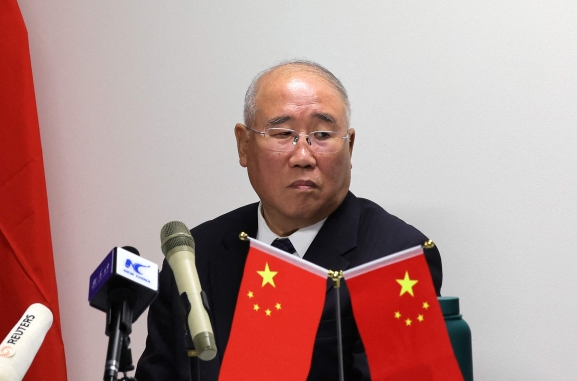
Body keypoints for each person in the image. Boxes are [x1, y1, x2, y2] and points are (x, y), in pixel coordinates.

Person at [136, 60, 442, 380]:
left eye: (322, 134)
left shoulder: (396, 258)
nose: (303, 157)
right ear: (244, 145)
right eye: (283, 134)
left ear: (349, 147)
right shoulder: (195, 255)